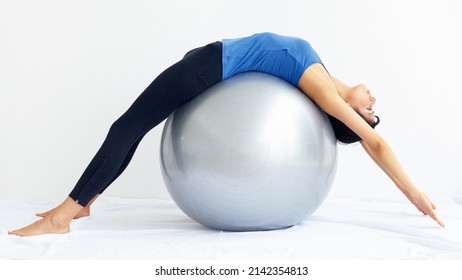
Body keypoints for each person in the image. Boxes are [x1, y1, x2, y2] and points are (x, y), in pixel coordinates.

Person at [9, 32, 444, 237]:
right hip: (207, 64)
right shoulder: (324, 79)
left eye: (370, 111)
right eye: (374, 107)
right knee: (132, 128)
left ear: (349, 114)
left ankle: (61, 217)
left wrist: (415, 195)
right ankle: (85, 204)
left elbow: (376, 143)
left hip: (207, 69)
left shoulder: (325, 93)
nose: (373, 101)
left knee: (127, 127)